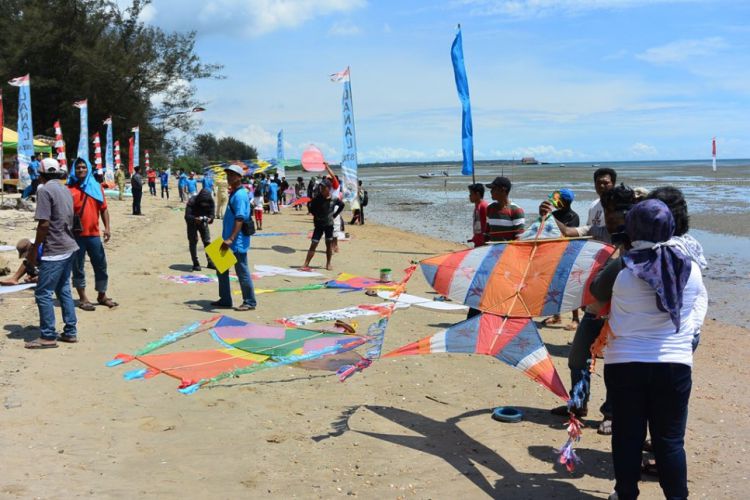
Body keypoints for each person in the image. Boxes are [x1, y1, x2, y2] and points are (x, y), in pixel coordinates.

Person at [604, 199, 706, 500]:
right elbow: (697, 310)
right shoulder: (691, 270)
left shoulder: (622, 271)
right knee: (670, 441)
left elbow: (596, 297)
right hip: (674, 364)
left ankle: (625, 494)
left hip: (624, 364)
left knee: (627, 437)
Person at [545, 184, 635, 433]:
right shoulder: (598, 231)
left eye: (614, 212)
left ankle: (612, 414)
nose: (609, 218)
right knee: (577, 357)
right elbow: (567, 232)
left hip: (623, 314)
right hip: (595, 308)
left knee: (616, 366)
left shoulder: (638, 237)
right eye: (606, 211)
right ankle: (578, 403)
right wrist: (549, 214)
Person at [24, 158, 80, 348]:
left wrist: (34, 249)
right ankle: (70, 331)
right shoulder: (65, 189)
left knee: (43, 293)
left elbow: (44, 224)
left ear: (40, 175)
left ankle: (48, 336)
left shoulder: (45, 190)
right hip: (69, 246)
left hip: (55, 249)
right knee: (63, 289)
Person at [67, 157, 118, 310]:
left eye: (83, 167)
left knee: (101, 265)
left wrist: (107, 228)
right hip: (76, 236)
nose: (81, 170)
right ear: (74, 170)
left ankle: (102, 295)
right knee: (78, 267)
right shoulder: (69, 189)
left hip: (94, 234)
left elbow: (104, 209)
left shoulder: (96, 187)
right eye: (78, 168)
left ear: (88, 169)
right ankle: (83, 298)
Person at [211, 165, 257, 311]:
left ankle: (249, 302)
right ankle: (225, 299)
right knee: (221, 268)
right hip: (228, 239)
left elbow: (240, 218)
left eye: (232, 175)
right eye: (228, 175)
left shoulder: (240, 195)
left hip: (236, 240)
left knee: (241, 270)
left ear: (239, 177)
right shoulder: (234, 192)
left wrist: (231, 238)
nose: (229, 177)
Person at [542, 188, 580, 329]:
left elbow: (568, 234)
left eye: (556, 199)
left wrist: (551, 217)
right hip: (553, 254)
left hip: (568, 255)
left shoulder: (573, 216)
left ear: (564, 201)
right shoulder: (554, 214)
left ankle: (575, 318)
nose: (554, 202)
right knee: (555, 285)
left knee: (570, 286)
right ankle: (557, 315)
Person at [302, 165, 344, 271]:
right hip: (318, 225)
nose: (321, 189)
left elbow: (342, 205)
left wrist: (334, 215)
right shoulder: (317, 198)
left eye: (323, 188)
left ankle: (328, 263)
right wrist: (314, 214)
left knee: (328, 245)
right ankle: (306, 263)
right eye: (321, 187)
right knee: (314, 244)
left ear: (328, 188)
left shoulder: (334, 199)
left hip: (329, 225)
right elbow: (309, 205)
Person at [185, 185, 216, 271]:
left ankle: (211, 262)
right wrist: (195, 219)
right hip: (192, 222)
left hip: (203, 222)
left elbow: (212, 214)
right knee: (193, 241)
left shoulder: (210, 201)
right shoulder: (192, 201)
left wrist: (210, 218)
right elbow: (187, 216)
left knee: (207, 241)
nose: (204, 204)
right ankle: (195, 263)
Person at [485, 176, 525, 242]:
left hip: (508, 251)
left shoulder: (516, 211)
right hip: (492, 250)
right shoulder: (490, 208)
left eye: (493, 189)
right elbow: (487, 233)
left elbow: (519, 238)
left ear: (503, 190)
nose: (491, 191)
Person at [467, 183, 488, 247]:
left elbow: (487, 225)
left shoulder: (483, 206)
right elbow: (477, 225)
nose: (469, 196)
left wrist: (484, 240)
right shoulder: (477, 206)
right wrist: (475, 237)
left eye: (471, 194)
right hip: (478, 241)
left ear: (477, 194)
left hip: (483, 243)